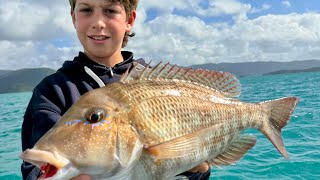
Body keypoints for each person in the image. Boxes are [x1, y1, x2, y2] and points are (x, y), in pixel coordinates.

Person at [21, 0, 211, 179]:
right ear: (73, 18)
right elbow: (36, 170)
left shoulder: (157, 81)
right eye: (87, 10)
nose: (98, 22)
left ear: (129, 20)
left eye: (110, 10)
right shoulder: (52, 92)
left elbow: (196, 169)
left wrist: (198, 171)